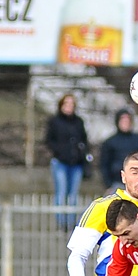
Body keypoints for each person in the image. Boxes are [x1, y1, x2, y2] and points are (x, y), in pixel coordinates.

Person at [45, 94, 89, 231]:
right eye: (66, 104)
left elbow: (84, 139)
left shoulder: (78, 122)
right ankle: (61, 223)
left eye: (71, 104)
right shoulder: (54, 121)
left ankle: (71, 223)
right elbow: (49, 140)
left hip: (76, 163)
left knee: (73, 194)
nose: (69, 107)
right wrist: (59, 151)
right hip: (60, 162)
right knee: (61, 192)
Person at [100, 108, 138, 193]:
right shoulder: (110, 142)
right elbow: (104, 164)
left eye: (127, 120)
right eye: (123, 120)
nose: (125, 123)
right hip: (116, 183)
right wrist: (108, 184)